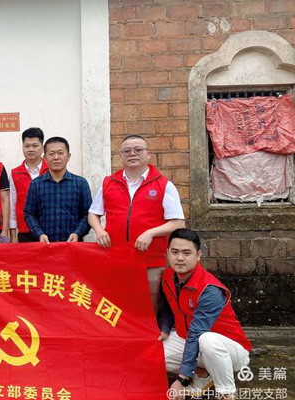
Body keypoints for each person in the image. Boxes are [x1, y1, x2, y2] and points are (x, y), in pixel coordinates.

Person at [88, 134, 184, 311]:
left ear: (148, 154)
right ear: (121, 156)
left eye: (138, 150)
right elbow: (93, 214)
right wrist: (99, 230)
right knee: (116, 306)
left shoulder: (163, 184)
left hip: (149, 259)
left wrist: (150, 232)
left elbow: (178, 222)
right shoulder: (109, 183)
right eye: (127, 151)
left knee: (148, 307)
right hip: (115, 258)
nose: (132, 154)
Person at [160, 229, 251, 400]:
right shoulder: (168, 276)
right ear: (167, 253)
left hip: (229, 348)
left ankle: (226, 393)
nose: (180, 258)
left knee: (207, 340)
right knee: (154, 354)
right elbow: (168, 306)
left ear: (198, 255)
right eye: (175, 252)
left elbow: (197, 333)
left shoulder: (209, 290)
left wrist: (182, 379)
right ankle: (203, 373)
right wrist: (164, 329)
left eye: (187, 253)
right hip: (190, 339)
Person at [24, 137, 92, 243]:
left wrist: (77, 233)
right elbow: (29, 213)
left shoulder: (80, 183)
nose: (56, 157)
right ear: (45, 158)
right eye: (51, 154)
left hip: (73, 245)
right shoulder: (36, 184)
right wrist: (39, 234)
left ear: (68, 156)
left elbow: (87, 214)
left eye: (60, 153)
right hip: (44, 245)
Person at [9, 127, 48, 243]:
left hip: (48, 229)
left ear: (42, 147)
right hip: (25, 230)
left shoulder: (51, 171)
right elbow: (12, 205)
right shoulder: (15, 173)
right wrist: (13, 235)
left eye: (35, 146)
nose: (30, 149)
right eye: (27, 146)